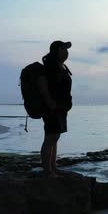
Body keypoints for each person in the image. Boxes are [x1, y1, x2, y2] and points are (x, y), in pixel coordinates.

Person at [37, 40, 73, 178]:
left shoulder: (61, 66)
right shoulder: (50, 66)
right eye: (63, 49)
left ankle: (53, 167)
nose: (66, 52)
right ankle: (48, 171)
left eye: (66, 49)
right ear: (57, 50)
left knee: (55, 136)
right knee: (50, 137)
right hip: (52, 107)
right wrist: (50, 102)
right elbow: (43, 84)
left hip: (61, 108)